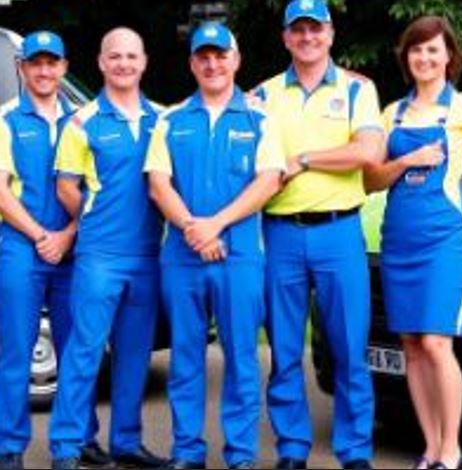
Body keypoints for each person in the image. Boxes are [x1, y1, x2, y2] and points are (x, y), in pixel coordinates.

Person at [145, 21, 284, 470]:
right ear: (192, 63)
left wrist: (216, 225)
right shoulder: (171, 120)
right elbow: (158, 185)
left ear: (236, 60)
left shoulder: (260, 118)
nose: (212, 63)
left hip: (240, 256)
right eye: (203, 56)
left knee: (242, 358)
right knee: (185, 357)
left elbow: (268, 182)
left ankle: (241, 455)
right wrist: (193, 228)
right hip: (182, 259)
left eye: (220, 55)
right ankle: (187, 452)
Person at [255, 0, 384, 468]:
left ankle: (354, 450)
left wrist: (305, 159)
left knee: (351, 347)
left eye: (315, 29)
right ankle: (292, 447)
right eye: (298, 30)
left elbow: (368, 151)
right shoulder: (263, 96)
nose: (307, 38)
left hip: (339, 231)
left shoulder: (357, 90)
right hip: (281, 234)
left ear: (330, 34)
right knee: (284, 350)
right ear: (286, 37)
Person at [48, 27, 166, 470]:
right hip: (100, 256)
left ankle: (126, 443)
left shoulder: (162, 118)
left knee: (135, 355)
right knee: (85, 352)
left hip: (148, 256)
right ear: (101, 62)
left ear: (144, 62)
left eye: (131, 56)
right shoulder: (83, 121)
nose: (123, 64)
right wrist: (98, 218)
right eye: (114, 56)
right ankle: (65, 446)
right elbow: (65, 187)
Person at [364, 16, 462, 470]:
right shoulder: (392, 114)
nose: (424, 58)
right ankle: (429, 449)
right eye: (416, 50)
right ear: (406, 58)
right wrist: (407, 158)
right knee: (409, 342)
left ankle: (452, 451)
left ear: (449, 57)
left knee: (436, 343)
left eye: (433, 50)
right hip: (399, 238)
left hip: (445, 238)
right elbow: (371, 180)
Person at [0, 31, 108, 470]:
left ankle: (81, 440)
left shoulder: (83, 120)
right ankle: (10, 446)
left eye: (52, 63)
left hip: (74, 247)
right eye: (35, 63)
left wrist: (66, 236)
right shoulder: (5, 119)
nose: (44, 71)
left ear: (64, 68)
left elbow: (99, 190)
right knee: (15, 350)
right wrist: (41, 236)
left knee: (78, 349)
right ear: (22, 69)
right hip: (20, 246)